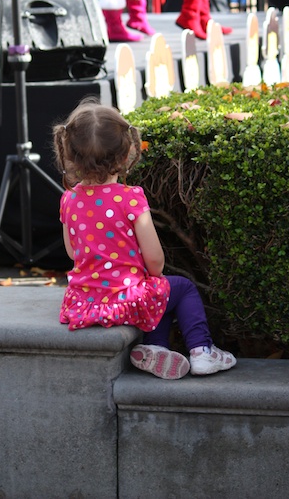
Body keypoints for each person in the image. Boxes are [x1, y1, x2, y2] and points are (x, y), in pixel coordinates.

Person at [53, 97, 237, 379]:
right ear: (125, 154)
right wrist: (151, 275)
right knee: (178, 288)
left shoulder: (69, 200)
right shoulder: (130, 198)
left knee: (155, 291)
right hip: (126, 300)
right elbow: (155, 261)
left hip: (84, 303)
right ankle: (202, 351)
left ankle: (157, 351)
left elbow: (73, 253)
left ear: (69, 155)